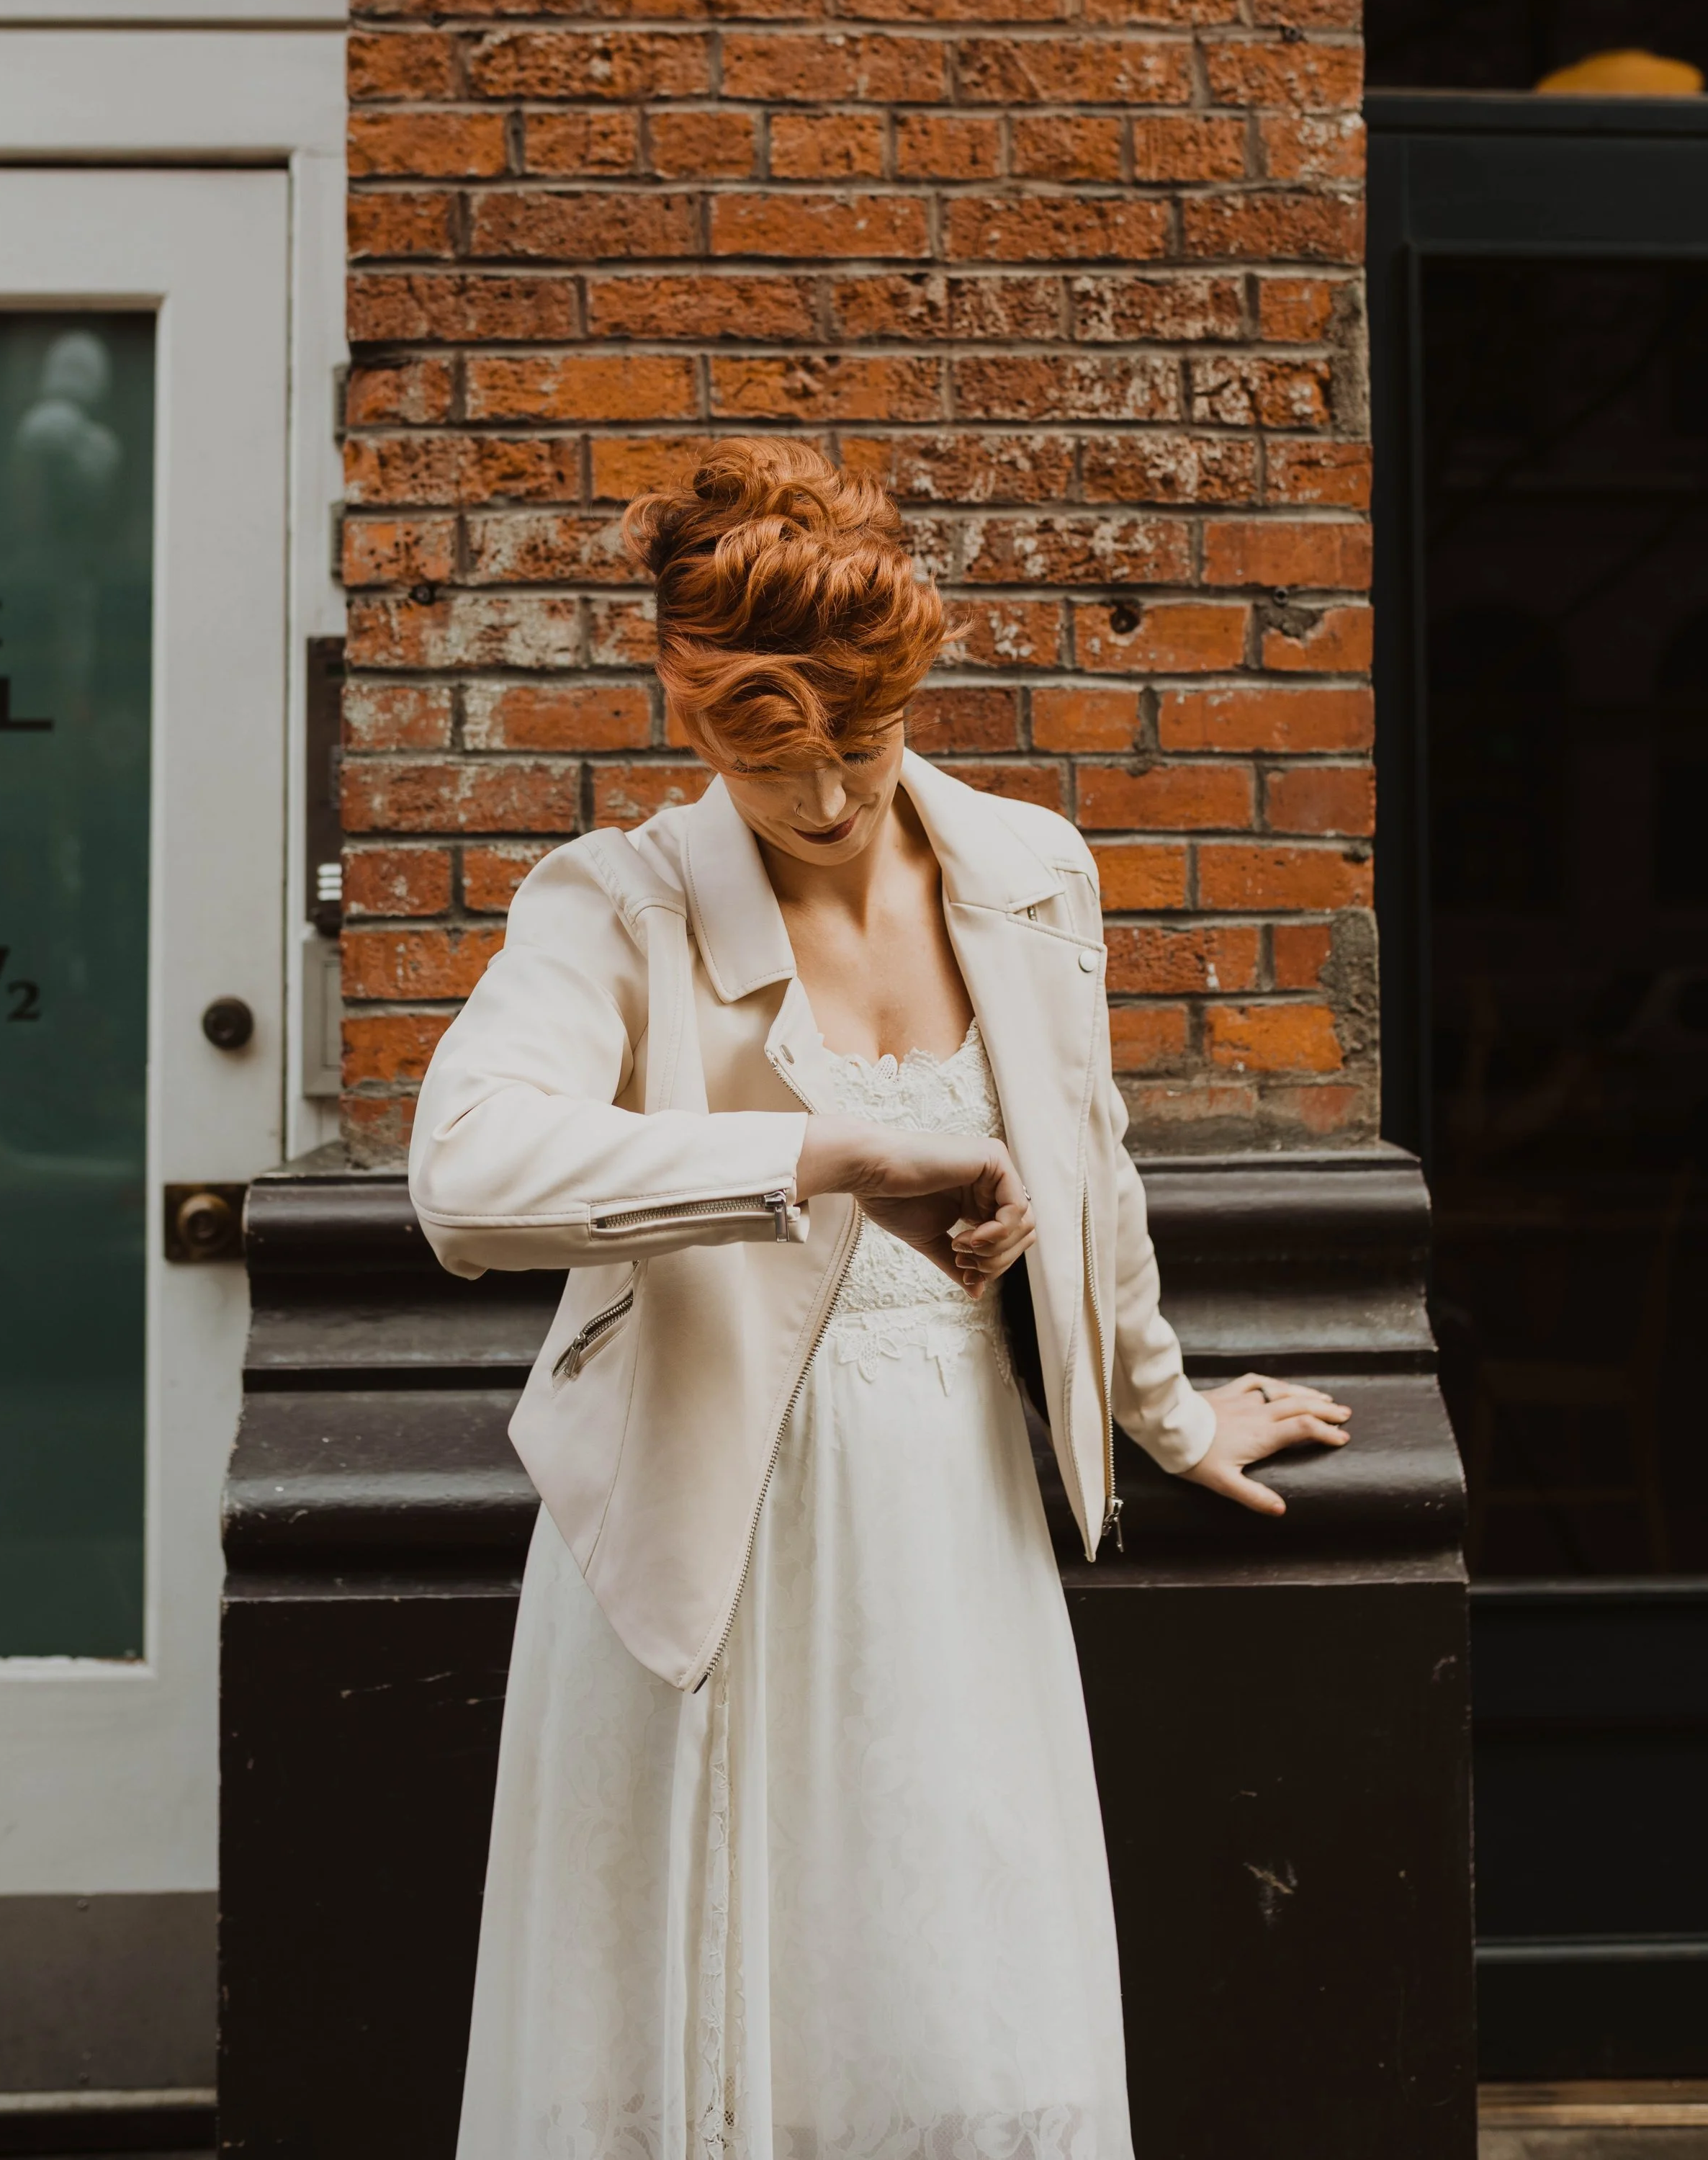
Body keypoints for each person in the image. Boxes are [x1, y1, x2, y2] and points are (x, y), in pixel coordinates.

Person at [409, 438, 1352, 2160]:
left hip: (954, 1518)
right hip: (713, 1542)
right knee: (699, 2035)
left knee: (959, 1986)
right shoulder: (611, 906)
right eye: (771, 768)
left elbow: (1092, 1166)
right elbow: (462, 1178)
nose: (829, 803)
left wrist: (1162, 1407)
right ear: (681, 711)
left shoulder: (1032, 872)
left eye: (860, 745)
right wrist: (826, 1153)